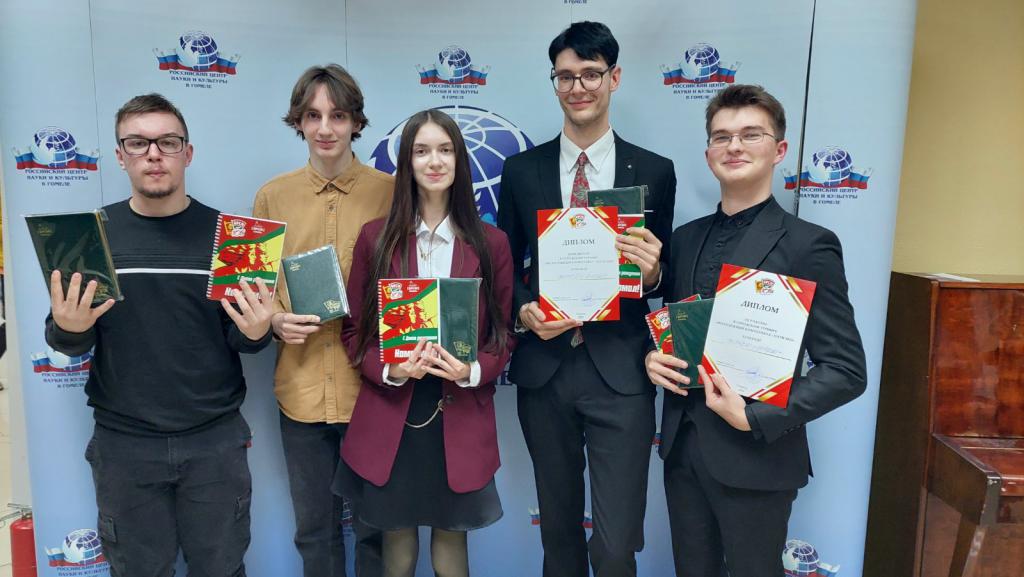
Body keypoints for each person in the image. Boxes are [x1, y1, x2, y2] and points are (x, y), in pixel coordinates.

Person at [45, 93, 273, 577]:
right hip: (125, 445)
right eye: (138, 143)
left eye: (167, 142)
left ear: (187, 153)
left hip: (213, 442)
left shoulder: (230, 237)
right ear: (120, 155)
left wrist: (257, 333)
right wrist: (69, 328)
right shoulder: (91, 235)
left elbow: (242, 339)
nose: (153, 154)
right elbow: (66, 337)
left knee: (221, 569)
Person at [645, 84, 867, 577]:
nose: (734, 146)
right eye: (721, 137)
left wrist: (756, 417)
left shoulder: (809, 245)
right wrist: (653, 358)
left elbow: (846, 370)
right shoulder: (683, 240)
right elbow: (673, 331)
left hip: (757, 455)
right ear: (708, 153)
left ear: (779, 150)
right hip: (682, 450)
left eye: (750, 135)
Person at [496, 21, 677, 577]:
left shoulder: (654, 171)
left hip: (620, 370)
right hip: (545, 367)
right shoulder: (521, 171)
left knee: (617, 545)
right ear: (555, 82)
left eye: (591, 74)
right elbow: (505, 266)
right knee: (557, 532)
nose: (578, 88)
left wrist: (652, 274)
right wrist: (523, 309)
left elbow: (663, 276)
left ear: (613, 78)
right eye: (565, 76)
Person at [338, 109, 514, 577]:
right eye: (421, 151)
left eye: (445, 150)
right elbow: (354, 332)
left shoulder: (491, 243)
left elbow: (502, 336)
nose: (434, 161)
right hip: (393, 411)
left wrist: (471, 370)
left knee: (451, 544)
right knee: (396, 545)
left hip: (459, 410)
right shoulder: (376, 238)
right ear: (407, 162)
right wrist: (391, 369)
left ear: (459, 160)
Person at [252, 63, 393, 577]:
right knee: (315, 534)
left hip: (374, 392)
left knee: (378, 532)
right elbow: (254, 289)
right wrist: (274, 321)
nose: (326, 128)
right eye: (313, 116)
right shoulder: (272, 197)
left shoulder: (392, 193)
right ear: (299, 122)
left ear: (356, 121)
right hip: (302, 392)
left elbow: (412, 282)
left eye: (338, 115)